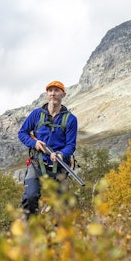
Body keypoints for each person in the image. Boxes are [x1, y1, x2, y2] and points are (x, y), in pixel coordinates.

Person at [18, 80, 78, 218]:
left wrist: (61, 154)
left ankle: (59, 235)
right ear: (47, 94)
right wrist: (34, 144)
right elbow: (22, 133)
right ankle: (29, 232)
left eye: (57, 91)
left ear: (63, 94)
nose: (53, 94)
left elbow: (71, 145)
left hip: (60, 166)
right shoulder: (36, 114)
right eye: (50, 91)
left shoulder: (71, 119)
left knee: (62, 205)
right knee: (30, 197)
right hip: (37, 163)